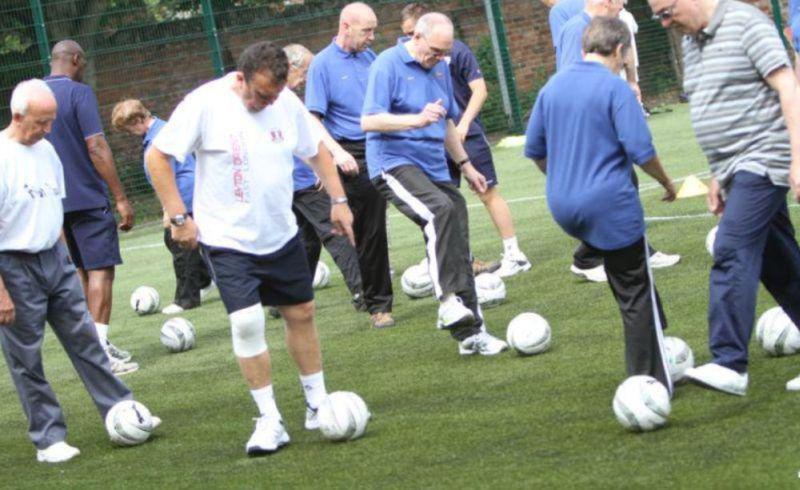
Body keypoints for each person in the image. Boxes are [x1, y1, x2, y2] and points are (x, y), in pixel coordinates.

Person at [146, 41, 355, 455]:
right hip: (227, 240)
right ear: (240, 78)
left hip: (279, 234)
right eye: (260, 95)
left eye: (274, 96)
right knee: (246, 322)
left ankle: (316, 403)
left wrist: (339, 201)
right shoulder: (205, 103)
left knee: (302, 313)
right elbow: (158, 157)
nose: (266, 103)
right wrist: (178, 215)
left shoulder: (285, 104)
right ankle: (270, 419)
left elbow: (316, 153)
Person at [0, 79, 158, 463]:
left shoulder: (48, 150)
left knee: (87, 340)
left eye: (51, 121)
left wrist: (66, 262)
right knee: (27, 359)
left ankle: (121, 409)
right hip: (12, 266)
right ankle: (48, 438)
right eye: (41, 122)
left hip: (55, 259)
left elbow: (53, 209)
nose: (48, 129)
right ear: (17, 116)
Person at [648, 0, 800, 395]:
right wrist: (718, 172)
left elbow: (788, 86)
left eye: (665, 11)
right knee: (779, 263)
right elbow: (715, 107)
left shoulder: (746, 23)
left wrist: (798, 159)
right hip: (735, 168)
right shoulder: (690, 42)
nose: (663, 22)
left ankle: (729, 361)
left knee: (731, 248)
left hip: (766, 158)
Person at [525, 16, 676, 393]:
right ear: (621, 51)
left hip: (563, 205)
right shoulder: (615, 88)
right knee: (633, 291)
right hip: (608, 203)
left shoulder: (552, 86)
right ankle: (648, 382)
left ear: (583, 48)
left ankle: (660, 334)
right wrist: (667, 182)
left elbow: (536, 151)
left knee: (629, 268)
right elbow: (641, 150)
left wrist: (565, 178)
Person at [362, 12, 508, 355]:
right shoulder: (387, 64)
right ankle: (446, 302)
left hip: (433, 165)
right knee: (439, 210)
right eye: (435, 51)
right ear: (415, 37)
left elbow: (445, 123)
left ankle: (472, 334)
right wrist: (415, 119)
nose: (440, 59)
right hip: (392, 163)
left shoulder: (441, 66)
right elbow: (369, 120)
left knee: (456, 222)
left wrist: (466, 165)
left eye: (445, 53)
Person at [400, 3, 531, 278]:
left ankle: (514, 254)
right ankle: (454, 259)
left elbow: (479, 90)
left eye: (413, 32)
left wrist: (463, 124)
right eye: (407, 33)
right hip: (432, 142)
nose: (409, 39)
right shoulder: (404, 58)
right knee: (440, 202)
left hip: (465, 136)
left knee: (486, 192)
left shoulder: (456, 50)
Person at [554, 1, 680, 282]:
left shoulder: (605, 26)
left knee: (625, 181)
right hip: (590, 123)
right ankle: (589, 257)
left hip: (606, 113)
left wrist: (629, 84)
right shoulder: (576, 28)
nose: (623, 5)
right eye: (619, 1)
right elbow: (569, 78)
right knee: (616, 184)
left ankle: (627, 251)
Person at [44, 40, 137, 375]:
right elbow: (96, 146)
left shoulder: (32, 94)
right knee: (101, 271)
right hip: (86, 198)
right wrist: (120, 197)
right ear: (77, 60)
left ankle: (94, 345)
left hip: (51, 202)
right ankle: (99, 354)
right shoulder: (78, 93)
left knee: (81, 272)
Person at [304, 2, 395, 329]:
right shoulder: (322, 65)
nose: (373, 36)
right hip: (348, 154)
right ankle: (378, 304)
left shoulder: (371, 59)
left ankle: (449, 275)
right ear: (346, 26)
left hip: (380, 146)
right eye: (366, 30)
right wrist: (334, 155)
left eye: (373, 30)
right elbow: (312, 120)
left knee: (373, 228)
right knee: (361, 230)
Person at [283, 44, 368, 317]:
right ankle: (362, 290)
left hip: (288, 181)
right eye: (305, 70)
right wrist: (321, 170)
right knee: (338, 230)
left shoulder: (277, 97)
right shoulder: (285, 99)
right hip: (303, 178)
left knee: (305, 240)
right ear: (290, 68)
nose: (307, 77)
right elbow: (309, 134)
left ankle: (288, 297)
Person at [111, 99, 214, 315]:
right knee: (188, 242)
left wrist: (171, 209)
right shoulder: (158, 132)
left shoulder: (160, 137)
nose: (129, 133)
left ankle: (186, 299)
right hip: (184, 195)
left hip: (184, 196)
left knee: (179, 244)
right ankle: (204, 281)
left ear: (138, 120)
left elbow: (171, 174)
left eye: (128, 128)